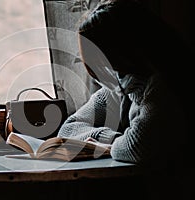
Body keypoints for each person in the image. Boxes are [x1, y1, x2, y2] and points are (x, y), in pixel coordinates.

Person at [57, 0, 193, 170]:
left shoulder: (163, 86)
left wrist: (107, 146)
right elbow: (68, 130)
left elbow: (137, 146)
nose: (107, 72)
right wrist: (109, 139)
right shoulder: (119, 87)